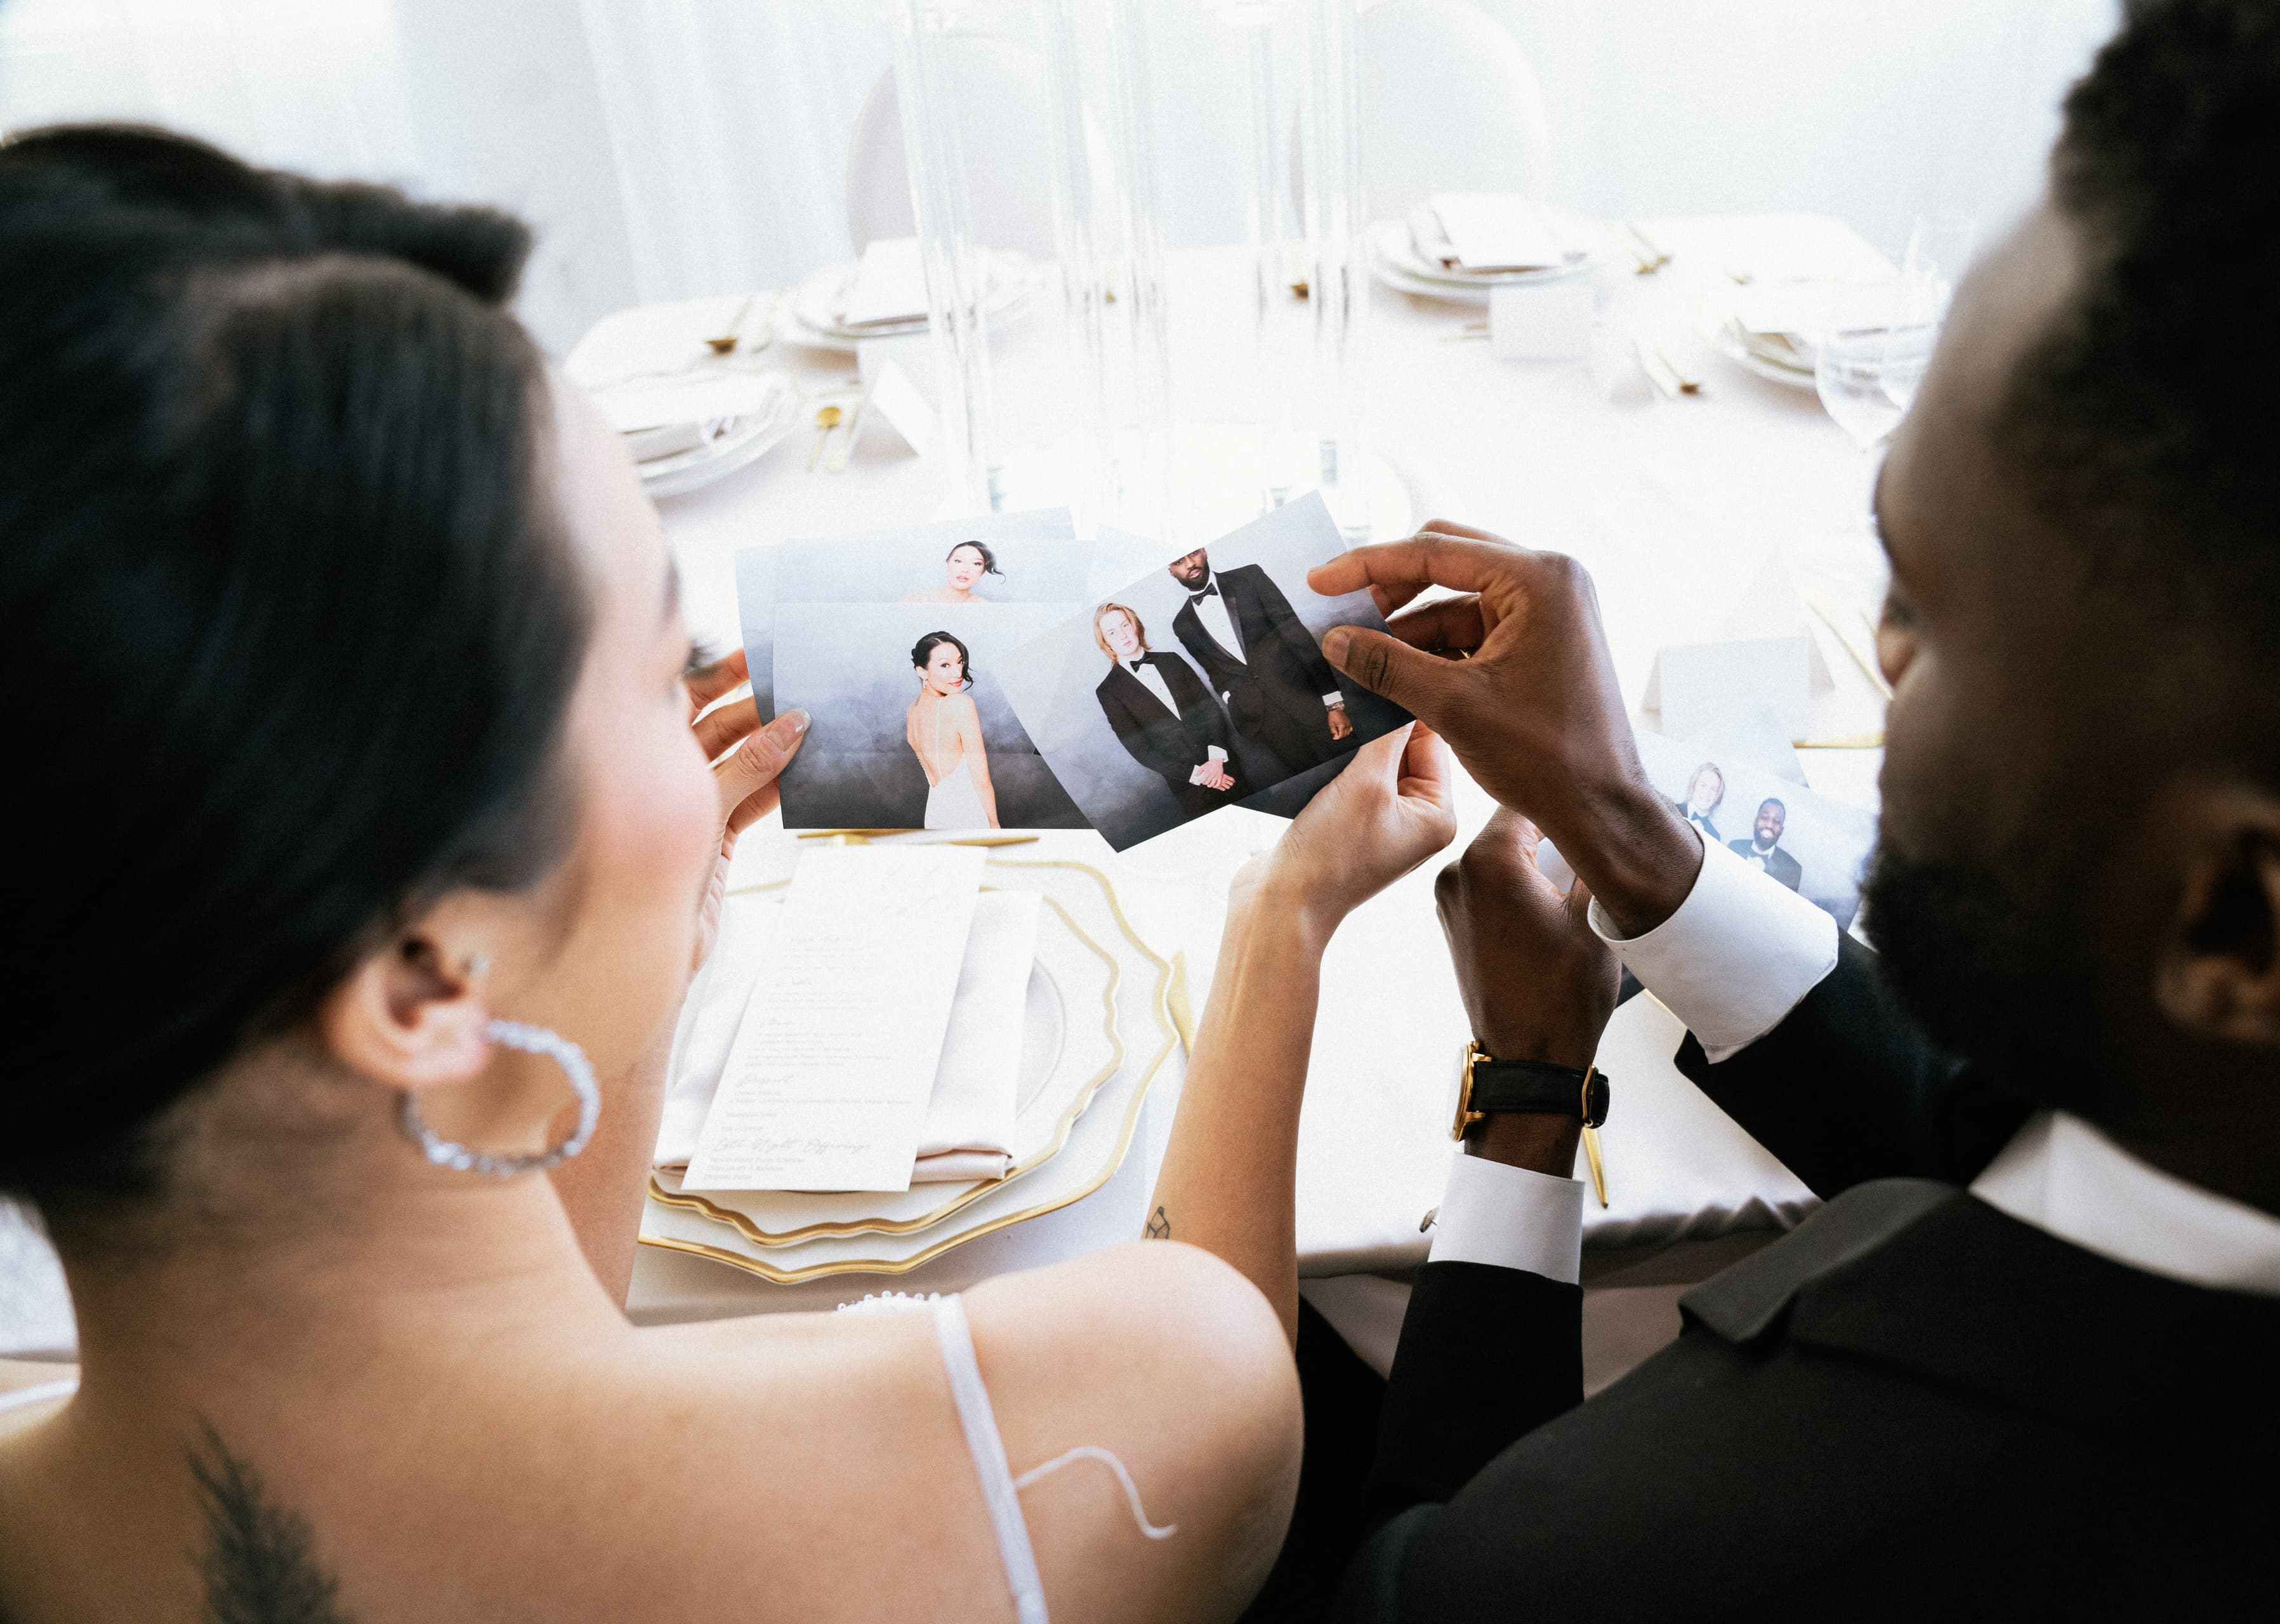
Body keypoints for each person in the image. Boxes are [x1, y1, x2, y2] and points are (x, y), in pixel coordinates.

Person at [0, 125, 1473, 1624]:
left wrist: (608, 970)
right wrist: (1281, 916)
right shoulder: (1095, 1424)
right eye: (653, 671)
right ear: (421, 979)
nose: (710, 695)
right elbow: (1220, 1331)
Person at [1279, 1, 2280, 1613]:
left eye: (1929, 608)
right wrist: (1632, 836)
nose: (1879, 652)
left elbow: (1428, 1562)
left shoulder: (1661, 1556)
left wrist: (1528, 1092)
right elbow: (2023, 1135)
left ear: (2242, 916)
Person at [1168, 547, 1354, 790]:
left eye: (1193, 554)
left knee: (1358, 766)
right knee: (1316, 789)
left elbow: (1295, 633)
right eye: (1180, 562)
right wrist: (1232, 699)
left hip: (1307, 699)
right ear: (1171, 571)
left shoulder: (1249, 578)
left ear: (1203, 551)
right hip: (1263, 720)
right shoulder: (1182, 624)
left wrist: (1333, 702)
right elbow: (1215, 672)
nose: (1190, 564)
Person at [1093, 601, 1242, 820]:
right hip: (1190, 787)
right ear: (1106, 642)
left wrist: (1217, 760)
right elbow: (1140, 748)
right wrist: (1202, 776)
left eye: (1125, 625)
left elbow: (1209, 708)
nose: (1123, 635)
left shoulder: (1173, 660)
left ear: (1136, 626)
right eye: (1112, 632)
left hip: (1226, 767)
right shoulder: (1108, 691)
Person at [905, 629, 998, 829]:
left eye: (960, 662)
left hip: (934, 814)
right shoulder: (960, 704)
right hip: (968, 811)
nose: (958, 673)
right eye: (945, 665)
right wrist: (994, 824)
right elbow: (982, 780)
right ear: (922, 671)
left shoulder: (913, 711)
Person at [1727, 796, 1800, 891]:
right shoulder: (1734, 847)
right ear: (1755, 821)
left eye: (1777, 822)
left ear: (1782, 830)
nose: (1769, 825)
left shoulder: (1792, 870)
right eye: (1765, 818)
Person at [900, 539, 1003, 604]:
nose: (965, 569)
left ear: (983, 571)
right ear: (947, 565)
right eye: (958, 561)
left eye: (976, 564)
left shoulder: (985, 606)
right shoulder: (915, 600)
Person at [1675, 762, 1725, 841]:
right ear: (1693, 785)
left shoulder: (1715, 836)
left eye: (1713, 789)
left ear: (1717, 796)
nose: (1707, 793)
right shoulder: (1672, 810)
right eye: (1703, 785)